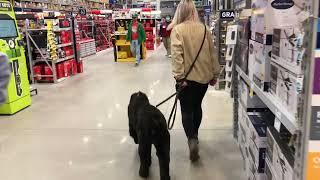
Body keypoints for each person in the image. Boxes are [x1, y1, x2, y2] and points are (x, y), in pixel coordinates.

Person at [170, 0, 220, 162]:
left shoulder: (177, 30)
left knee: (186, 110)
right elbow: (213, 53)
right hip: (203, 80)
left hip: (186, 81)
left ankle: (191, 139)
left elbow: (177, 56)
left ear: (180, 12)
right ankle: (195, 136)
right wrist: (215, 74)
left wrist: (180, 77)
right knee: (197, 106)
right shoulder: (205, 29)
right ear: (193, 11)